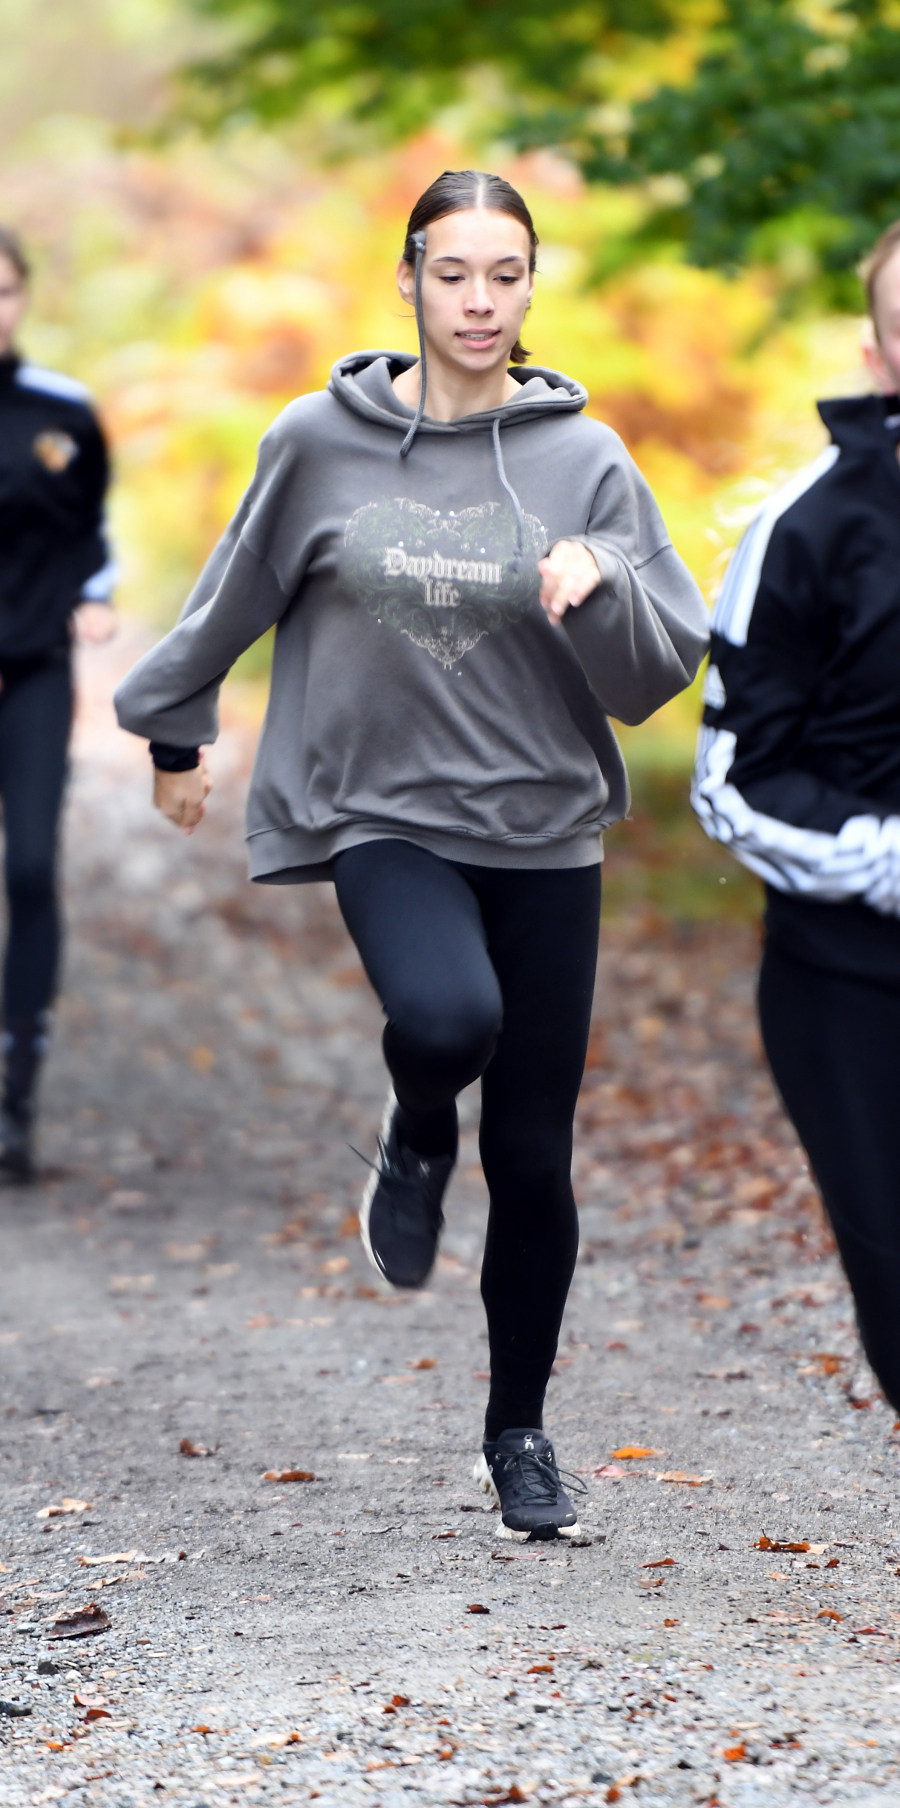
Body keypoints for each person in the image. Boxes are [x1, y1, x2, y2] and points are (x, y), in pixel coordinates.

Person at [115, 170, 708, 1539]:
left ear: (531, 285)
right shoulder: (319, 440)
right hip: (385, 816)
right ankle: (414, 1121)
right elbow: (233, 594)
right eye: (455, 274)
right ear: (410, 281)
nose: (481, 301)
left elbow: (653, 674)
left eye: (506, 275)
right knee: (447, 1016)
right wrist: (172, 729)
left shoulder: (587, 460)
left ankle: (519, 1432)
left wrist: (604, 581)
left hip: (547, 831)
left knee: (542, 1156)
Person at [693, 218, 900, 1414]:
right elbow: (734, 777)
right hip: (851, 982)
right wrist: (884, 858)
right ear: (879, 359)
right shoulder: (804, 529)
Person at [0, 227, 116, 1181]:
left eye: (2, 291)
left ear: (22, 297)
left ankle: (16, 1087)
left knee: (32, 868)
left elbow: (94, 533)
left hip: (33, 671)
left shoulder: (62, 413)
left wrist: (97, 596)